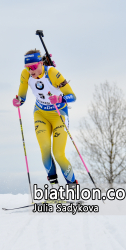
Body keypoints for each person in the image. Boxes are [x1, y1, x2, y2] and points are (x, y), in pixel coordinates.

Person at [14, 50, 77, 187]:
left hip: (58, 114)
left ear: (41, 63)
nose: (31, 71)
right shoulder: (25, 75)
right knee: (45, 150)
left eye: (34, 67)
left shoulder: (52, 73)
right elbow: (22, 96)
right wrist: (18, 101)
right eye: (28, 67)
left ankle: (73, 189)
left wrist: (60, 98)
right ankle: (54, 189)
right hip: (40, 114)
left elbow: (72, 96)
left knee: (58, 154)